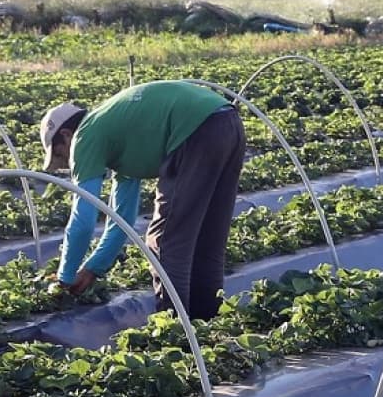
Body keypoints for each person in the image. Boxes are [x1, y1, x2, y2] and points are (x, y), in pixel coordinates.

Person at [39, 80, 245, 320]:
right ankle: (207, 325)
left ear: (66, 135)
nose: (65, 163)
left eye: (60, 154)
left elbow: (84, 219)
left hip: (195, 129)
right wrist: (93, 268)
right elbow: (122, 220)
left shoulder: (86, 136)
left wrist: (65, 277)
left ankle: (176, 333)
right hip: (227, 121)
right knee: (207, 238)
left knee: (165, 242)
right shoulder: (116, 134)